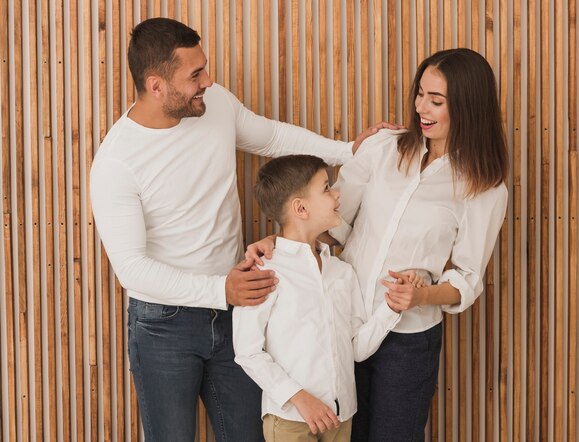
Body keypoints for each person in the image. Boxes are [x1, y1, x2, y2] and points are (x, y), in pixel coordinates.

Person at [89, 17, 396, 442]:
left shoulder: (213, 103)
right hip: (164, 325)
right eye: (195, 74)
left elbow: (270, 137)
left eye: (205, 67)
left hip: (240, 310)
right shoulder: (116, 162)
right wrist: (222, 290)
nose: (208, 81)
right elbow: (132, 269)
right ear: (156, 85)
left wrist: (346, 150)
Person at [247, 48, 509, 441]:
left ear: (469, 107)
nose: (422, 107)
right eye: (420, 94)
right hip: (342, 322)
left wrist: (419, 297)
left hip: (408, 340)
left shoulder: (484, 187)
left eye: (436, 101)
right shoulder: (383, 148)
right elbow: (330, 219)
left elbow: (468, 278)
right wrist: (276, 242)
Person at [233, 155, 428, 442]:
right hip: (291, 421)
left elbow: (357, 350)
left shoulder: (342, 272)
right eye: (326, 188)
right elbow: (248, 352)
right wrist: (298, 397)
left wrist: (391, 307)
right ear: (301, 208)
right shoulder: (264, 271)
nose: (337, 194)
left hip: (341, 417)